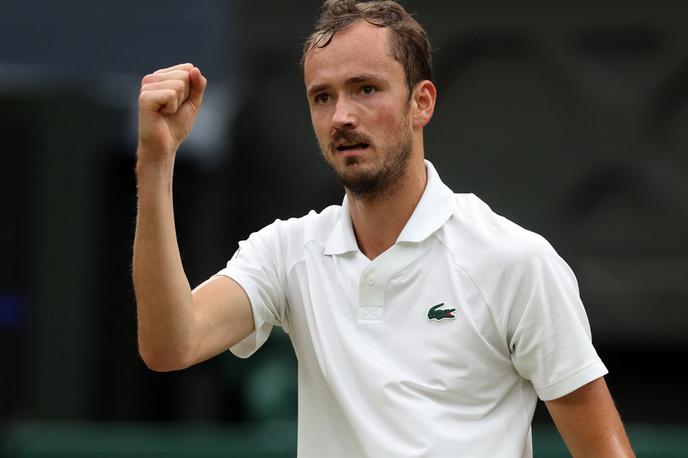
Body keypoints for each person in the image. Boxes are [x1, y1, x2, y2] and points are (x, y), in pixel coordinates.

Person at [133, 0, 635, 456]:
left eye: (366, 89)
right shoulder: (286, 252)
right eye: (322, 97)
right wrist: (156, 162)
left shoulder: (514, 260)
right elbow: (171, 345)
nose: (341, 117)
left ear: (422, 102)